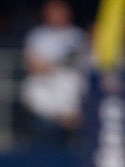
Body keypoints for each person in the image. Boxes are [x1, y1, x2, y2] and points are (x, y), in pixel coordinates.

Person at [20, 0, 88, 149]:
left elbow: (84, 65)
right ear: (46, 14)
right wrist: (60, 63)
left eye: (61, 11)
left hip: (72, 95)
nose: (58, 15)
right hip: (47, 94)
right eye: (53, 11)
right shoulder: (38, 35)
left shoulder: (77, 35)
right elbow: (34, 66)